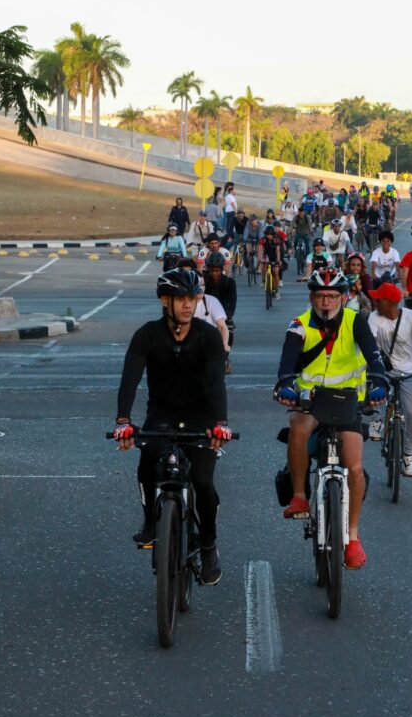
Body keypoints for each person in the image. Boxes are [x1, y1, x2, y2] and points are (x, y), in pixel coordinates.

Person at [112, 267, 232, 584]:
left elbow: (217, 383)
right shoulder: (147, 335)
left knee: (203, 481)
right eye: (180, 299)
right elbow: (129, 379)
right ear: (165, 300)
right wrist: (123, 421)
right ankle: (151, 523)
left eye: (192, 298)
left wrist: (221, 423)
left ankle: (208, 546)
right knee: (147, 462)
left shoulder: (208, 336)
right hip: (161, 414)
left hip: (202, 416)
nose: (188, 305)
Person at [273, 268, 388, 569]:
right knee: (298, 430)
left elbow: (373, 356)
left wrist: (379, 381)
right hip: (310, 401)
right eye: (321, 296)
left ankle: (353, 538)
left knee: (355, 467)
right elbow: (286, 363)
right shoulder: (299, 325)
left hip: (347, 399)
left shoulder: (355, 321)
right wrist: (286, 385)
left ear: (344, 297)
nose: (326, 302)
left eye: (332, 296)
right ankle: (300, 496)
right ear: (312, 298)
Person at [367, 282, 412, 477]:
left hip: (410, 372)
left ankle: (408, 455)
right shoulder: (374, 317)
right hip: (384, 370)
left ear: (390, 303)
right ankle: (376, 419)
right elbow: (370, 343)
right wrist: (377, 361)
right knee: (370, 388)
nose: (375, 302)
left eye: (379, 300)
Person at [258, 224, 284, 297]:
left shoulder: (276, 240)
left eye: (270, 234)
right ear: (265, 234)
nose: (269, 236)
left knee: (276, 272)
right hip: (266, 256)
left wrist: (278, 260)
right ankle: (263, 280)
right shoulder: (262, 240)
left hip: (274, 256)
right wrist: (260, 259)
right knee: (263, 266)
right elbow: (260, 250)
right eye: (267, 234)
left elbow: (278, 251)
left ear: (273, 234)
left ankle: (276, 290)